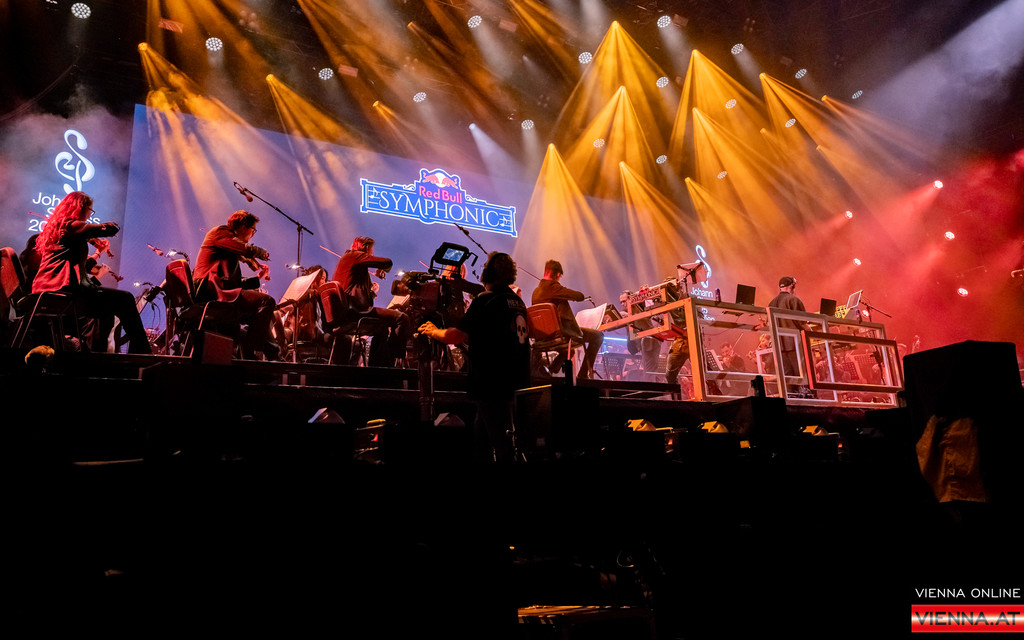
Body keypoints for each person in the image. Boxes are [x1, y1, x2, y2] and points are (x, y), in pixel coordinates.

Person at [418, 252, 530, 462]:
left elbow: (456, 336)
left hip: (491, 381)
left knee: (502, 445)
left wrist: (433, 331)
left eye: (486, 264)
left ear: (490, 272)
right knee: (484, 438)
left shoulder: (486, 299)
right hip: (515, 379)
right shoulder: (517, 301)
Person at [31, 191, 151, 354]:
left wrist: (95, 247)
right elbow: (109, 228)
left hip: (47, 288)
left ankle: (93, 355)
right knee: (126, 298)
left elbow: (80, 264)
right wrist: (94, 234)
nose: (89, 215)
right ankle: (141, 351)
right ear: (81, 208)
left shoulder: (58, 229)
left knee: (105, 311)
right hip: (64, 290)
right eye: (90, 210)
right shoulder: (70, 225)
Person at [192, 209, 278, 359]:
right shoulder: (221, 232)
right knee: (267, 302)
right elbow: (244, 248)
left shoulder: (227, 247)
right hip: (209, 291)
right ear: (244, 227)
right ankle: (254, 353)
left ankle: (270, 353)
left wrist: (258, 277)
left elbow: (234, 283)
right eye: (253, 230)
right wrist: (261, 252)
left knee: (259, 316)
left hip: (218, 289)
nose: (252, 235)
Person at [331, 235, 410, 367]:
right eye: (371, 250)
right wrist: (381, 267)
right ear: (365, 247)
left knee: (382, 329)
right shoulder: (355, 255)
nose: (372, 254)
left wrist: (372, 291)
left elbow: (357, 290)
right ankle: (393, 363)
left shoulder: (349, 261)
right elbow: (387, 262)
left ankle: (377, 366)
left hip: (347, 311)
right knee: (402, 318)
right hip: (355, 311)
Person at [531, 259, 603, 380]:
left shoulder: (535, 292)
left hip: (542, 336)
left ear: (545, 271)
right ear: (558, 274)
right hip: (559, 334)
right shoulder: (553, 287)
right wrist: (561, 288)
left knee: (569, 352)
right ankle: (583, 375)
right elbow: (579, 296)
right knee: (598, 336)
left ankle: (550, 371)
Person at [767, 276, 811, 394]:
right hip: (795, 346)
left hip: (779, 348)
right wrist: (813, 332)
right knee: (803, 375)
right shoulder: (793, 300)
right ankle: (807, 399)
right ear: (792, 286)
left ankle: (792, 399)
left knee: (788, 379)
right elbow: (803, 323)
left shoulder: (771, 303)